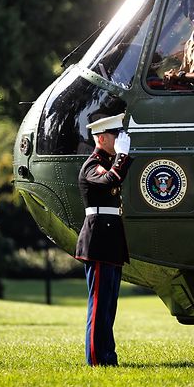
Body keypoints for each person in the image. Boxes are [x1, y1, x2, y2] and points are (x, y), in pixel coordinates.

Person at [74, 110, 132, 367]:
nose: (119, 138)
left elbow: (118, 174)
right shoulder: (91, 166)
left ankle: (109, 355)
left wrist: (121, 157)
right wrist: (122, 157)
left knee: (109, 305)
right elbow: (112, 178)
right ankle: (97, 358)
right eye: (115, 134)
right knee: (99, 305)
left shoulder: (107, 161)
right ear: (101, 139)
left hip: (111, 240)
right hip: (98, 240)